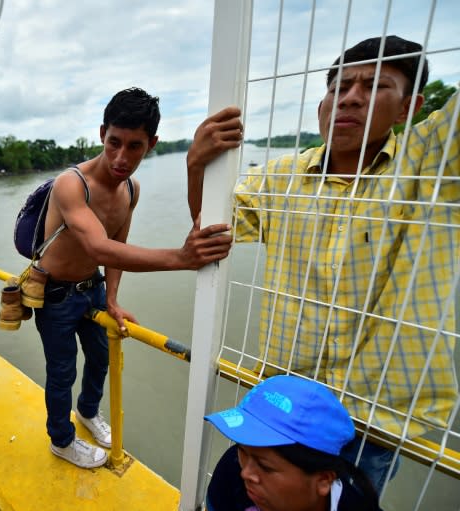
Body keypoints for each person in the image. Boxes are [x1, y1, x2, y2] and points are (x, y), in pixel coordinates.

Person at [187, 35, 459, 493]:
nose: (350, 98)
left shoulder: (433, 164)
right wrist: (197, 166)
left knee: (346, 501)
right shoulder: (280, 177)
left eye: (375, 87)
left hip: (373, 417)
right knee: (260, 495)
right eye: (339, 87)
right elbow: (210, 232)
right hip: (287, 404)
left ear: (410, 107)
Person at [35, 87, 233, 468]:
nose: (121, 158)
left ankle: (87, 413)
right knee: (62, 372)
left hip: (91, 289)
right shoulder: (71, 184)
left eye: (135, 146)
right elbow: (98, 247)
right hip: (56, 295)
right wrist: (180, 258)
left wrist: (111, 299)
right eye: (114, 143)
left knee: (100, 358)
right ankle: (61, 439)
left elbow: (118, 244)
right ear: (101, 134)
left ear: (152, 144)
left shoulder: (130, 188)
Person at [204, 375, 381, 511]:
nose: (246, 473)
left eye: (265, 467)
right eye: (242, 451)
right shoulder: (232, 468)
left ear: (323, 480)